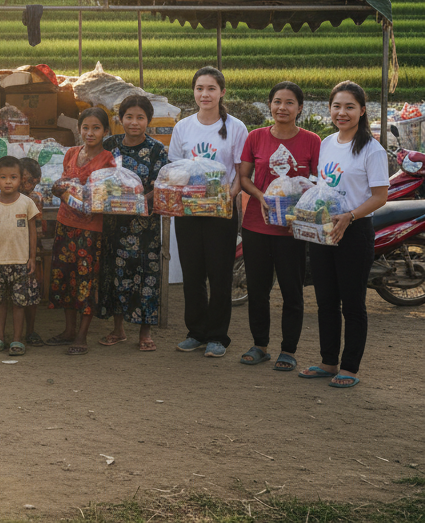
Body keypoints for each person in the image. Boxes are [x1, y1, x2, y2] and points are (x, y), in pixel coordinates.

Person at [299, 81, 388, 389]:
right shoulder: (326, 143)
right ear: (330, 109)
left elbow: (380, 197)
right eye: (337, 106)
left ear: (362, 111)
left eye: (350, 107)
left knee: (352, 303)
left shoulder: (372, 149)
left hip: (354, 231)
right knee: (325, 300)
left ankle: (349, 367)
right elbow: (321, 186)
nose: (342, 112)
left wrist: (350, 216)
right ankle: (328, 362)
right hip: (324, 228)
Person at [238, 82, 321, 371]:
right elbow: (244, 177)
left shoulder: (312, 140)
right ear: (269, 105)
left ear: (300, 108)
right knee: (258, 290)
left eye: (289, 103)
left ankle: (288, 350)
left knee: (291, 291)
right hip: (256, 225)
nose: (282, 108)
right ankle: (260, 345)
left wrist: (301, 209)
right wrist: (262, 196)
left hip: (292, 230)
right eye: (276, 101)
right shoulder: (256, 137)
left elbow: (319, 182)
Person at [169, 67, 249, 359]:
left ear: (222, 92)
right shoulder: (183, 127)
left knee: (219, 274)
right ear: (194, 91)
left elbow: (240, 173)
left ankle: (217, 336)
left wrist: (227, 198)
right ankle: (196, 332)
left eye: (211, 88)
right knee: (192, 274)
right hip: (189, 211)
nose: (205, 94)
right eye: (200, 88)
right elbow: (176, 170)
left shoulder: (236, 128)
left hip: (221, 212)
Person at [98, 95, 169, 352]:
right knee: (116, 273)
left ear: (148, 120)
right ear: (120, 119)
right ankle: (118, 330)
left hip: (144, 225)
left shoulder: (157, 149)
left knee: (145, 275)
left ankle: (145, 332)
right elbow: (100, 177)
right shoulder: (110, 145)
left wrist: (137, 200)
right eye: (129, 117)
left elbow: (160, 185)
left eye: (140, 117)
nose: (134, 122)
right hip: (113, 223)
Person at [47, 108, 115, 355]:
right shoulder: (71, 153)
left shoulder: (108, 159)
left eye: (96, 128)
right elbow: (65, 183)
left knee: (86, 281)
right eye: (85, 127)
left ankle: (81, 336)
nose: (90, 133)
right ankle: (68, 331)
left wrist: (72, 193)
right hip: (65, 224)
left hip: (90, 229)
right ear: (78, 129)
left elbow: (104, 196)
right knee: (65, 277)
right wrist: (60, 189)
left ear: (105, 131)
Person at [0, 156, 40, 356]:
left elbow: (32, 232)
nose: (8, 182)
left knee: (19, 303)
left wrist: (32, 258)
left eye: (13, 177)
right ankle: (0, 337)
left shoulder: (27, 203)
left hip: (21, 263)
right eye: (3, 177)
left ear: (21, 179)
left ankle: (17, 340)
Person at [17, 157, 45, 347]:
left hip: (30, 251)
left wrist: (33, 254)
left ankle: (29, 330)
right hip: (13, 250)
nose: (27, 184)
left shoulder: (34, 198)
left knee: (31, 292)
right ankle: (19, 332)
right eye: (25, 179)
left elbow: (36, 230)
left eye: (32, 181)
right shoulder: (7, 197)